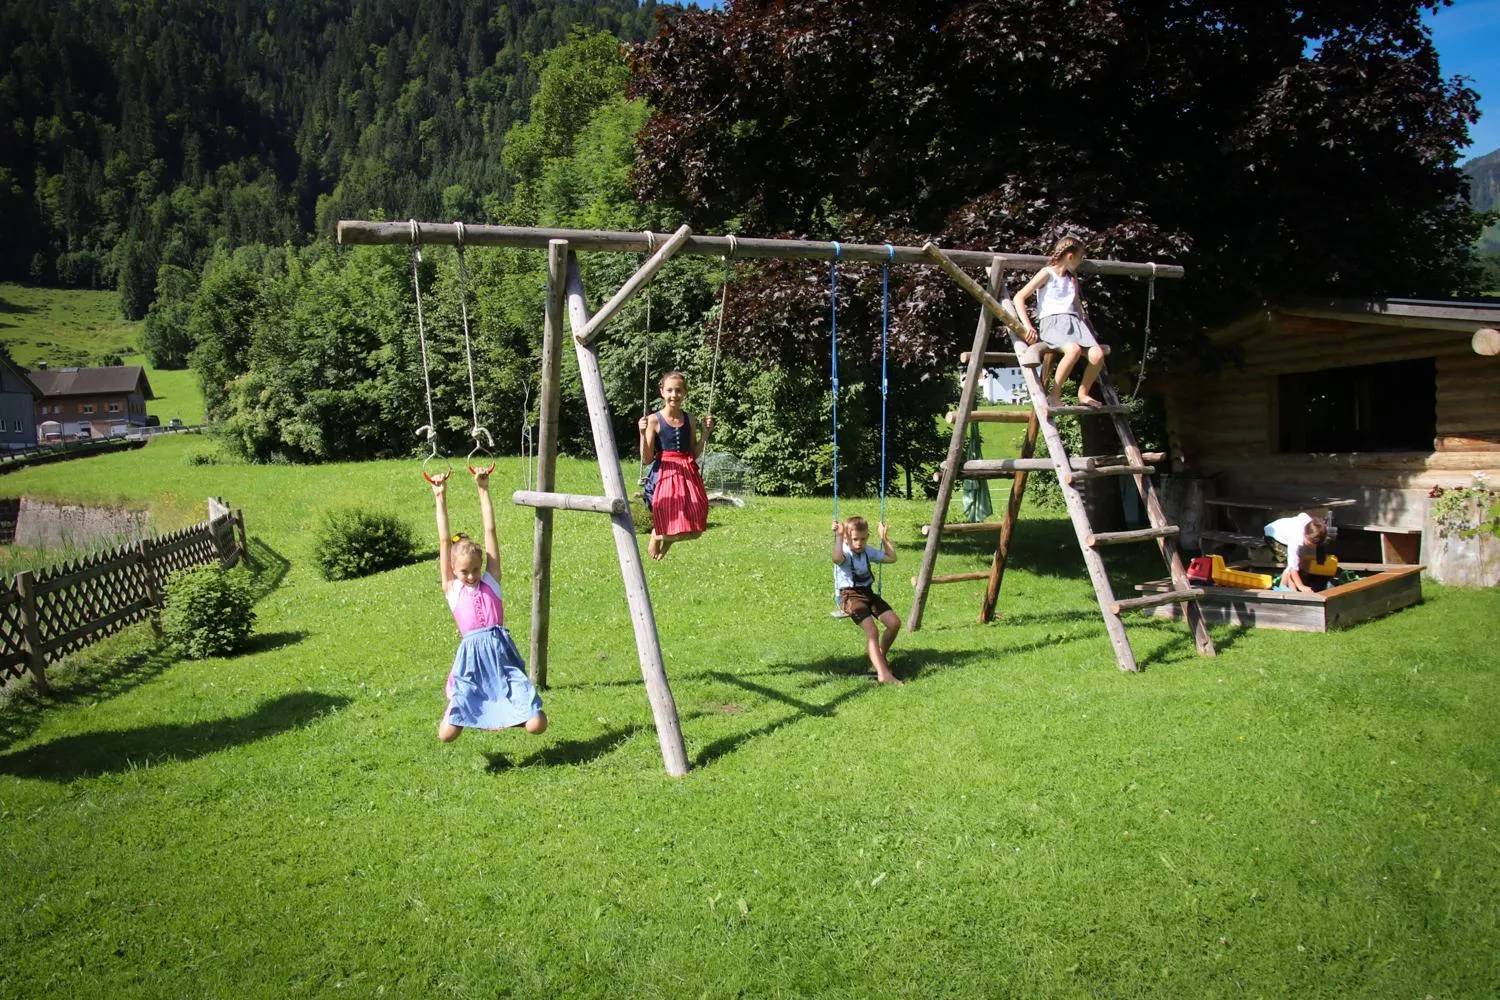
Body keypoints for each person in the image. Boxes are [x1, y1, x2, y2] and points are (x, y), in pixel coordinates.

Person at [431, 467, 546, 742]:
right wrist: (440, 496)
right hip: (471, 662)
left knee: (537, 724)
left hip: (501, 656)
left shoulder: (491, 581)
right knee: (446, 735)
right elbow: (444, 540)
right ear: (452, 570)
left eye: (475, 569)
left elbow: (490, 530)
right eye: (464, 572)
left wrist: (483, 490)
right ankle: (464, 709)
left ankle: (505, 714)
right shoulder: (453, 589)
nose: (471, 576)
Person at [1011, 234, 1107, 408]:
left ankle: (1083, 393)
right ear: (1070, 257)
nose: (1081, 261)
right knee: (1073, 350)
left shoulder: (1072, 279)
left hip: (1074, 323)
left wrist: (1083, 323)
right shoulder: (1046, 274)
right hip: (1053, 323)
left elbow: (1076, 305)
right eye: (1080, 258)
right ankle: (1054, 395)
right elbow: (1019, 297)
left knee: (1097, 354)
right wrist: (1028, 326)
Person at [637, 371, 713, 561]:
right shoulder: (654, 420)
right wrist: (641, 433)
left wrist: (705, 434)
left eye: (678, 390)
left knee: (696, 530)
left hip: (687, 471)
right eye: (669, 390)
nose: (674, 395)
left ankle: (660, 536)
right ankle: (659, 534)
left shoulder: (691, 419)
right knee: (670, 517)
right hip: (665, 473)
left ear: (685, 393)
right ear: (662, 392)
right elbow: (646, 459)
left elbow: (694, 453)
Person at [831, 516, 903, 685]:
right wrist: (839, 536)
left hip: (868, 593)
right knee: (872, 631)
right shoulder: (845, 552)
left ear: (867, 537)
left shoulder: (866, 551)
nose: (859, 543)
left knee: (894, 623)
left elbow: (891, 558)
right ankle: (884, 675)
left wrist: (884, 539)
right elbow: (836, 559)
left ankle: (879, 655)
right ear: (848, 538)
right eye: (855, 539)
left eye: (863, 539)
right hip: (850, 596)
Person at [1262, 511, 1329, 593]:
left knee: (1295, 561)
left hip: (1283, 532)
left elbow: (1302, 515)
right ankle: (1282, 588)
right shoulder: (1296, 539)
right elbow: (1293, 567)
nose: (1311, 546)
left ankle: (1290, 589)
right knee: (1290, 563)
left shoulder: (1310, 524)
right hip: (1272, 537)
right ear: (1306, 535)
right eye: (1310, 543)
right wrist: (1301, 586)